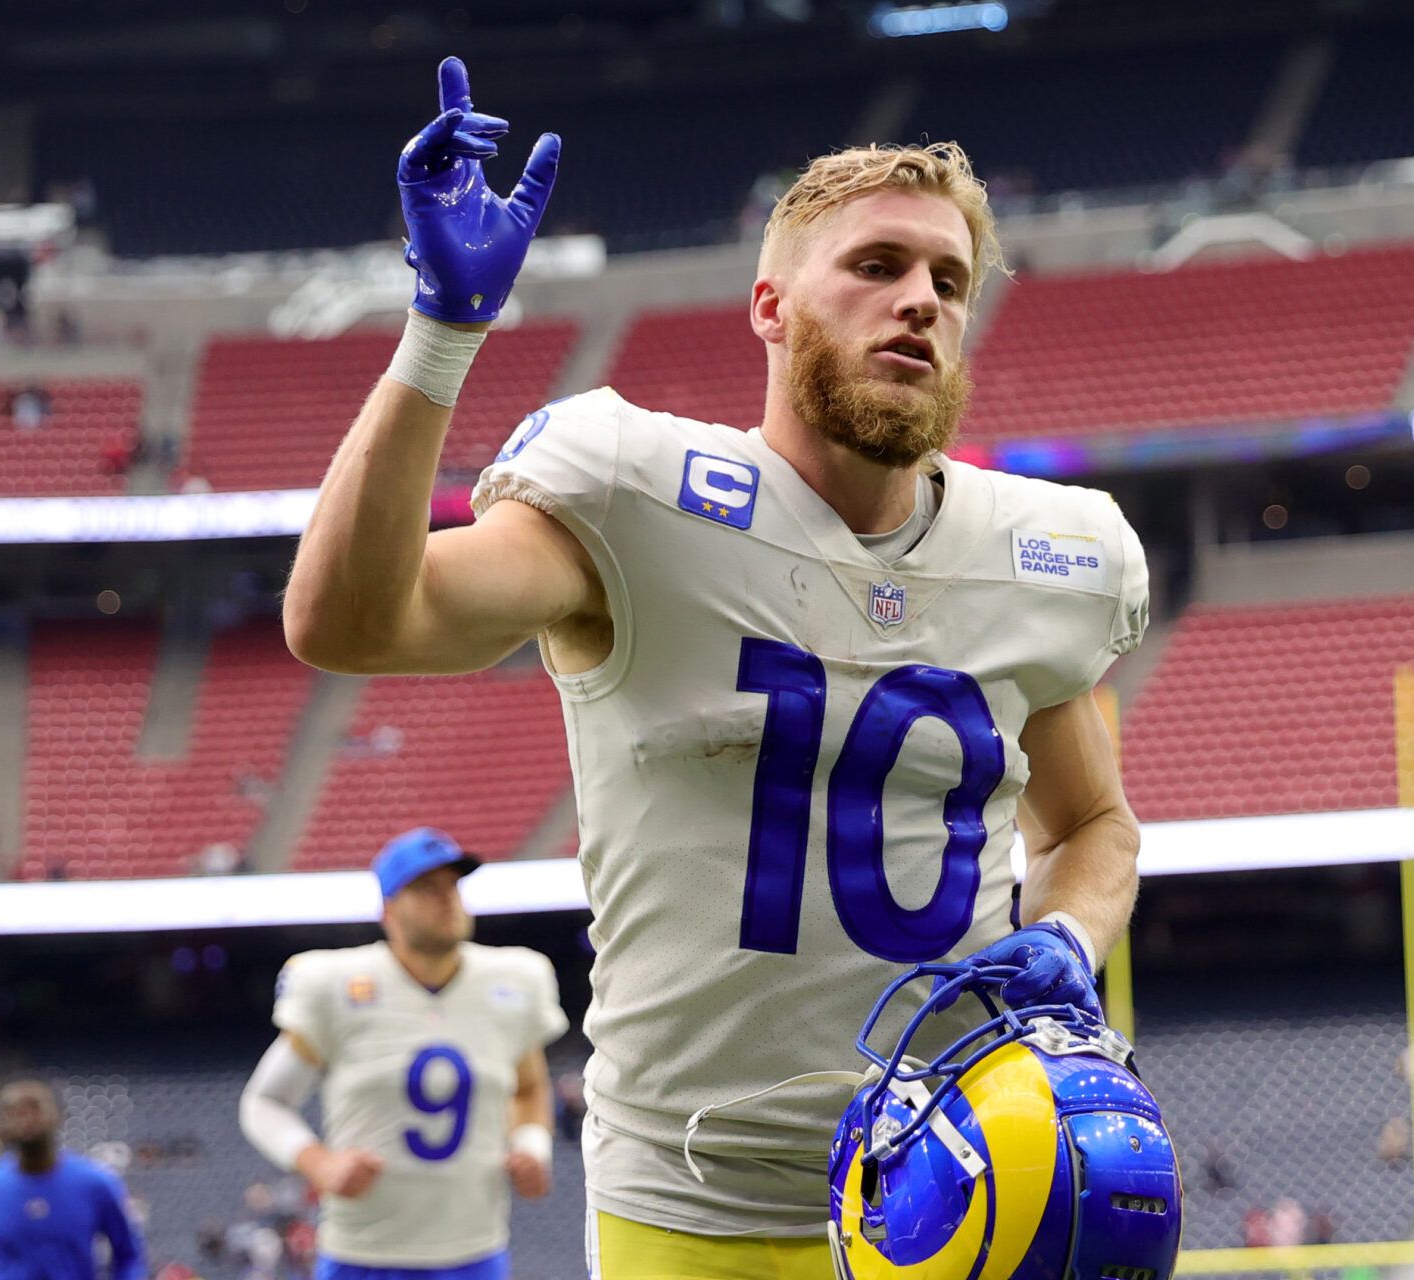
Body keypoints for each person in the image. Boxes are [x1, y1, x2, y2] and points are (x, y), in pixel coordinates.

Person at [283, 55, 1148, 1279]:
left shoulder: (1047, 553)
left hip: (953, 1176)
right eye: (876, 266)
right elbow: (348, 621)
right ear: (770, 306)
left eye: (948, 281)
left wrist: (1069, 937)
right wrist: (440, 337)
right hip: (696, 1196)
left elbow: (1094, 824)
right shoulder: (638, 491)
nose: (921, 302)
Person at [238, 828, 566, 1280]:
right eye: (426, 888)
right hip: (364, 1254)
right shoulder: (336, 986)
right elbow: (265, 1101)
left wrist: (531, 1146)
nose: (446, 899)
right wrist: (321, 1165)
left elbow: (529, 1086)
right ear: (388, 909)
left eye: (453, 884)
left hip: (476, 1250)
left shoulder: (515, 979)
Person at [0, 1081, 144, 1280]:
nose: (28, 1119)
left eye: (35, 1108)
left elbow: (128, 1257)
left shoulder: (96, 1183)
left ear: (58, 1115)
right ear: (3, 1124)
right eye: (17, 1112)